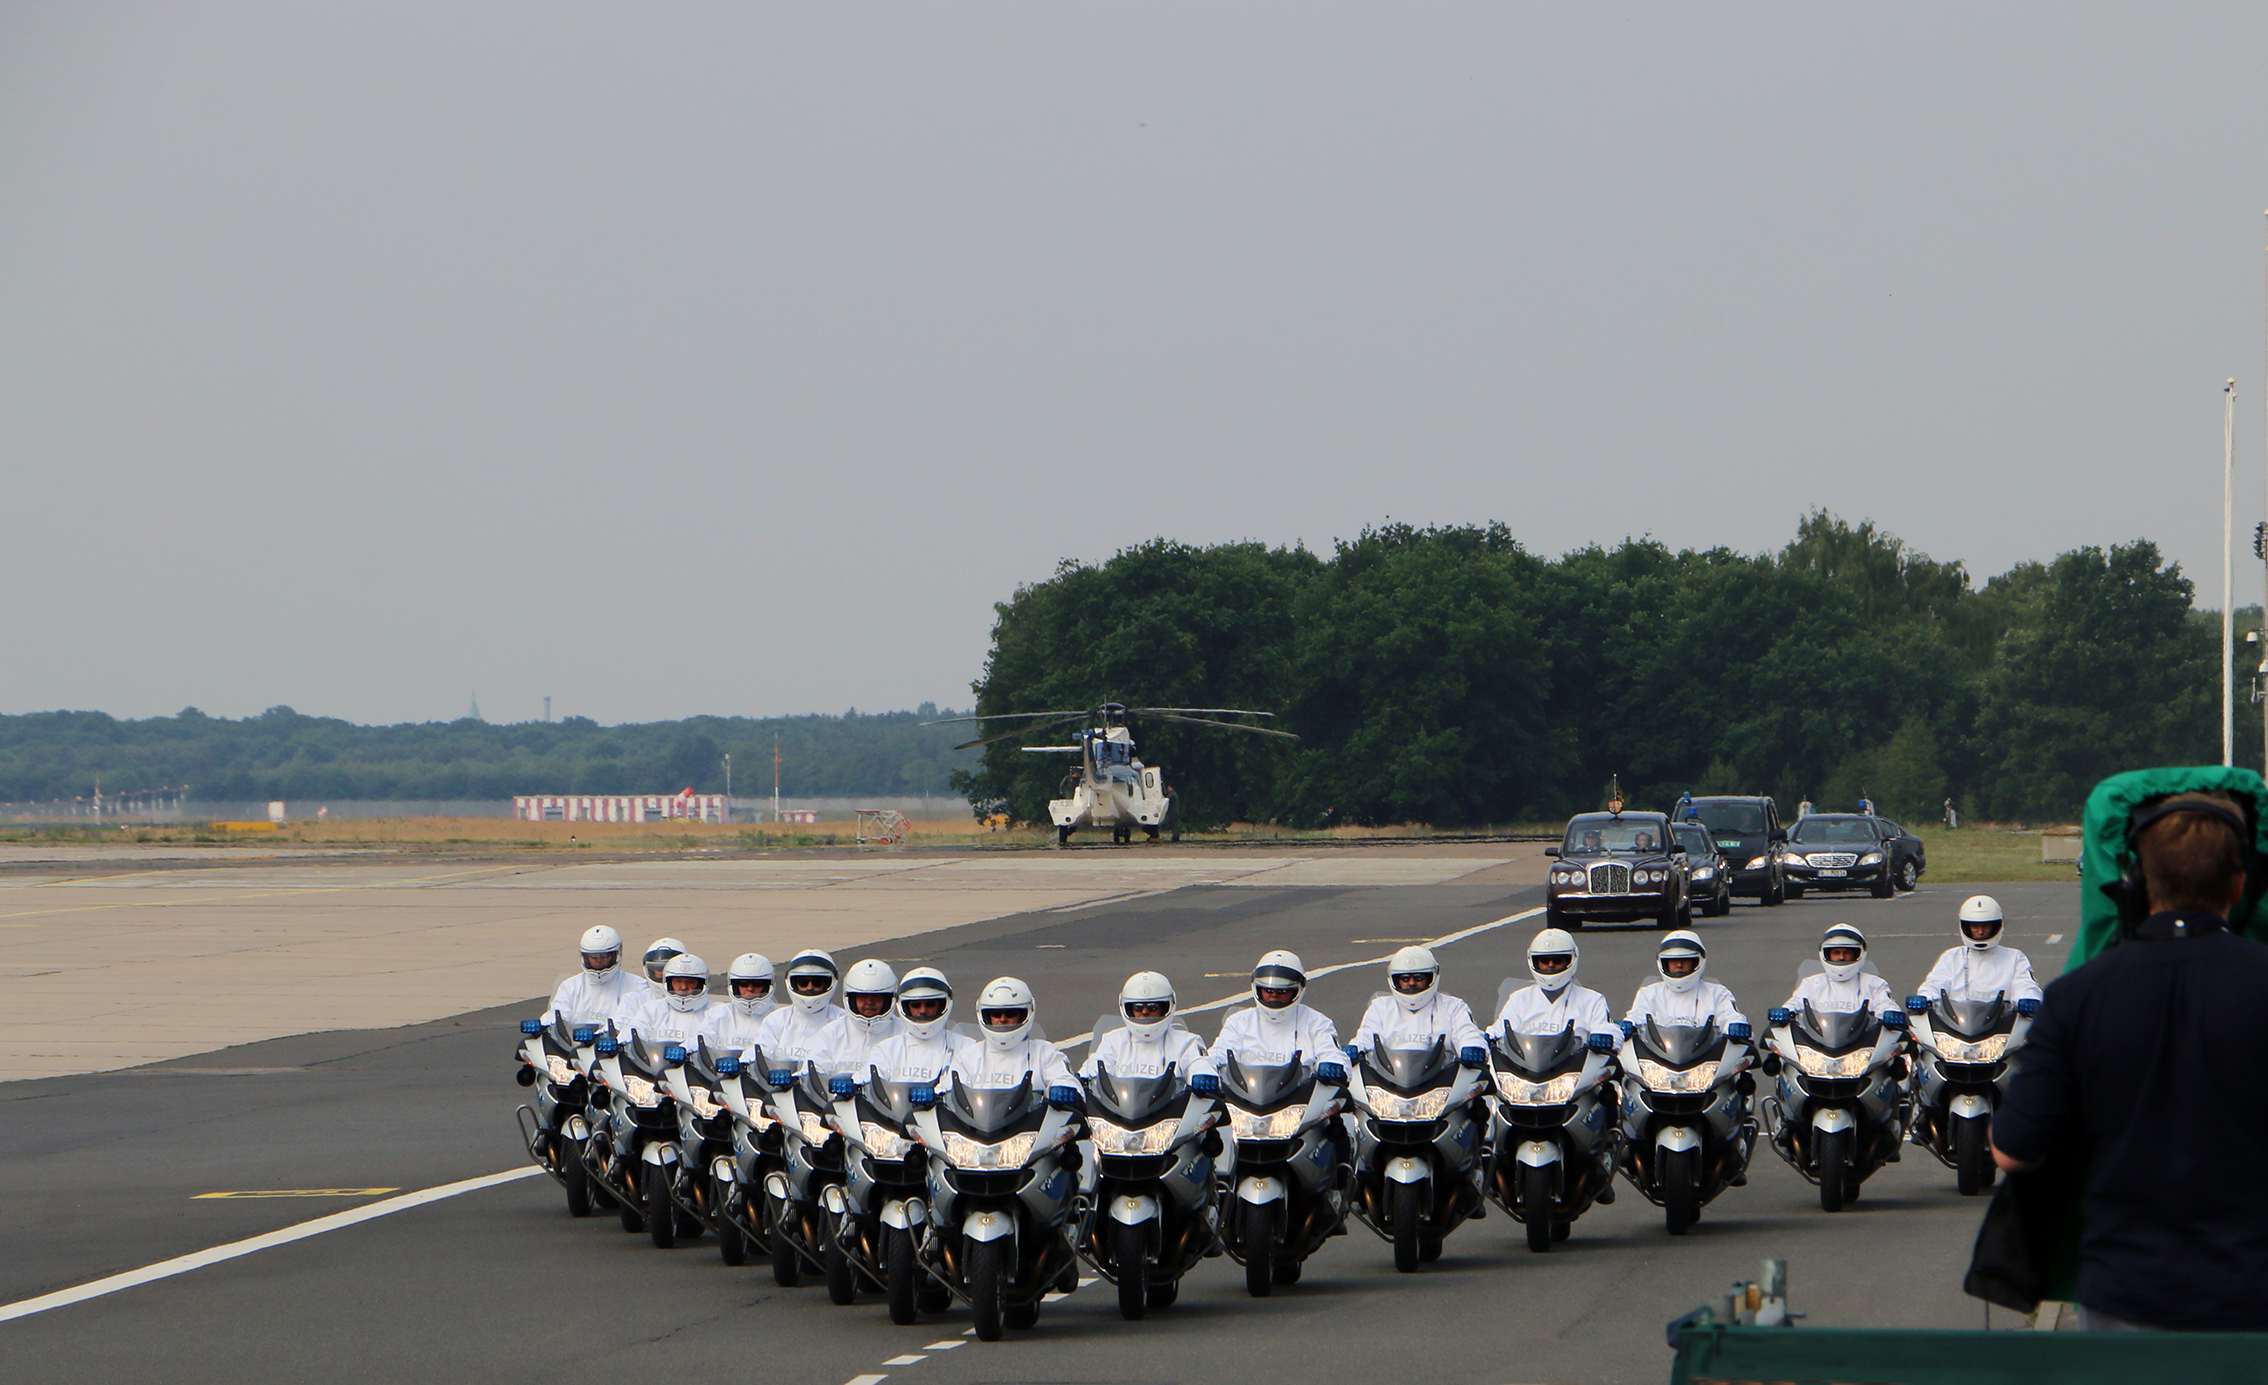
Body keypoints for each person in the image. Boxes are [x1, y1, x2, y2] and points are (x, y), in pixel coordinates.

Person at [1992, 793, 2268, 1331]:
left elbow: (2011, 1152)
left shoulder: (2078, 995)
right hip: (2254, 1293)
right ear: (2239, 887)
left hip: (2126, 1291)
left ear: (2139, 888)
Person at [943, 977, 1077, 1100]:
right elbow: (946, 1090)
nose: (1002, 1019)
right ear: (985, 1015)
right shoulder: (969, 1056)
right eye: (996, 1014)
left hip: (1032, 1125)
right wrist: (933, 1094)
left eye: (1010, 1013)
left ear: (1025, 1013)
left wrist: (1063, 1089)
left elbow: (1066, 1080)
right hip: (977, 1126)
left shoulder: (1045, 1053)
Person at [1213, 950, 1344, 1076]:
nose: (1274, 995)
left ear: (1297, 990)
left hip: (1301, 1096)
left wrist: (1331, 1064)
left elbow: (1332, 1053)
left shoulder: (1316, 1022)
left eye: (1282, 991)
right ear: (1257, 988)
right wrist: (1206, 1071)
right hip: (1245, 1095)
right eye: (1269, 990)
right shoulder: (1239, 1021)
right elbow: (1218, 1054)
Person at [1351, 945, 1486, 1059]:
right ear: (1395, 980)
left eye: (1418, 978)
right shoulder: (1380, 1007)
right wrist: (1355, 1049)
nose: (1411, 983)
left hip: (1441, 1080)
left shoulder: (1452, 1006)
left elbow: (1468, 1033)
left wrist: (1473, 1047)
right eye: (1405, 979)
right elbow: (1365, 1038)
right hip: (1390, 1081)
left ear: (1431, 977)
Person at [1082, 971, 1212, 1086]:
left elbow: (1199, 1063)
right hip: (1120, 1110)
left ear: (1166, 1007)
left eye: (1152, 1007)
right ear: (1128, 1009)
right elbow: (1095, 1067)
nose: (1145, 1012)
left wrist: (1202, 1076)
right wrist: (1080, 1079)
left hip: (1170, 1111)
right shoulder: (1113, 1040)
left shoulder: (1186, 1041)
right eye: (1138, 1007)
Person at [748, 949, 851, 1084]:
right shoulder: (777, 1020)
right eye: (803, 982)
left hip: (826, 1096)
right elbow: (759, 1051)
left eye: (817, 982)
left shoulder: (844, 1021)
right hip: (780, 1094)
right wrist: (743, 1064)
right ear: (792, 982)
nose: (810, 988)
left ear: (830, 983)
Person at [1916, 896, 2042, 1006]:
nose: (1980, 931)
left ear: (1996, 926)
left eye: (1985, 926)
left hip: (2003, 1024)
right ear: (1966, 927)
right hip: (1958, 1025)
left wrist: (2028, 998)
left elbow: (2025, 984)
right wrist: (1925, 998)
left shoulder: (2014, 957)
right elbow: (1935, 983)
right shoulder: (1952, 957)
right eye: (1975, 926)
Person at [1495, 928, 1617, 1041]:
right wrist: (1484, 1041)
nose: (1551, 965)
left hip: (1576, 1063)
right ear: (1534, 962)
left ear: (1571, 960)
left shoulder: (1592, 1000)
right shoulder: (1519, 999)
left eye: (1557, 960)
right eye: (1544, 960)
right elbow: (1498, 1030)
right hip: (1526, 1063)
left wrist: (1605, 1038)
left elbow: (1608, 1030)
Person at [863, 968, 975, 1087]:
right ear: (905, 1007)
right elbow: (865, 1078)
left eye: (930, 1004)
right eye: (916, 1005)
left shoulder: (966, 1048)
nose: (923, 1011)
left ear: (943, 1005)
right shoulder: (886, 1049)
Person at [1625, 931, 1746, 1031]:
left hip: (1707, 1056)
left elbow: (1732, 1017)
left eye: (1685, 960)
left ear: (1697, 961)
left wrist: (1736, 1026)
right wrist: (1629, 1025)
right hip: (1658, 1056)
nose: (1678, 965)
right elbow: (1636, 1017)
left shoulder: (1716, 992)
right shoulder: (1649, 992)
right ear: (1663, 963)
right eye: (1673, 961)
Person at [1783, 924, 1899, 1017]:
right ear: (1826, 954)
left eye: (1846, 952)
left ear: (1859, 954)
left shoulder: (1875, 983)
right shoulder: (1811, 983)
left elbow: (1886, 1004)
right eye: (1836, 952)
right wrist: (1786, 1011)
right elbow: (1796, 1002)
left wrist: (1890, 1013)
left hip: (1863, 1042)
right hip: (1818, 1041)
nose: (1841, 957)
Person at [541, 925, 637, 1027]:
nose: (599, 960)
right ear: (585, 957)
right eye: (594, 956)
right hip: (576, 1042)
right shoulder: (570, 986)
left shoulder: (636, 985)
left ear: (616, 955)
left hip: (616, 1041)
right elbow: (557, 1014)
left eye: (604, 955)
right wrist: (546, 1024)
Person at [615, 951, 712, 1049]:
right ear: (668, 983)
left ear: (701, 984)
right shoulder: (651, 1009)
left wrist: (685, 1049)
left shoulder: (714, 1012)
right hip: (655, 1063)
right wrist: (619, 1043)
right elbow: (634, 1030)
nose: (683, 987)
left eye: (690, 982)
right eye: (678, 982)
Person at [695, 952, 776, 1057]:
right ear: (734, 986)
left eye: (757, 984)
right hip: (719, 1072)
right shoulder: (718, 1014)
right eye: (743, 984)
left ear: (767, 986)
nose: (750, 989)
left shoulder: (777, 1018)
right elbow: (700, 1039)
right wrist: (683, 1049)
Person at [836, 958, 903, 1075]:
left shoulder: (903, 1033)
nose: (869, 1002)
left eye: (876, 997)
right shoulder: (833, 1032)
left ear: (888, 999)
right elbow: (813, 1070)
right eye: (862, 996)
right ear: (851, 998)